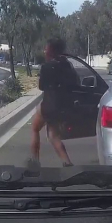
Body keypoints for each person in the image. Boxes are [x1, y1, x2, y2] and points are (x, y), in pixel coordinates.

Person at [26, 38, 79, 168]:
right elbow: (76, 83)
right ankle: (67, 162)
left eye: (46, 48)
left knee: (35, 128)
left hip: (49, 106)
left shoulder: (47, 66)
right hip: (63, 106)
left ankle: (35, 161)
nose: (44, 50)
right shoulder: (68, 66)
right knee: (53, 135)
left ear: (51, 51)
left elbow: (41, 86)